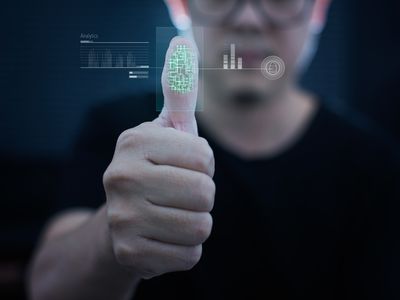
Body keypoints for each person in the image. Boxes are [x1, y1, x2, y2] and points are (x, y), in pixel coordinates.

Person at [29, 0, 400, 299]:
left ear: (317, 10)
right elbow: (46, 288)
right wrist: (110, 239)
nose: (251, 19)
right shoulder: (116, 129)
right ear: (181, 7)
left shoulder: (372, 161)